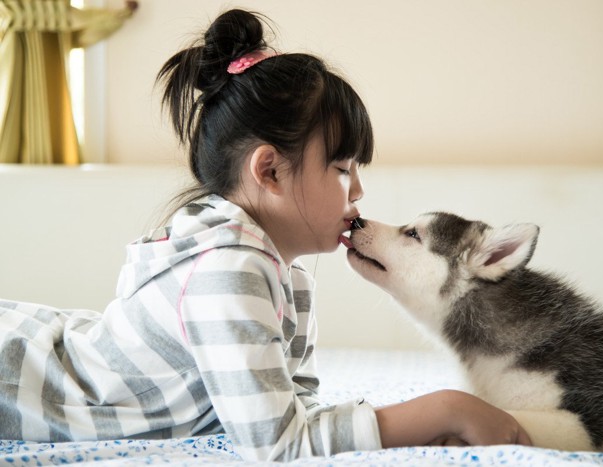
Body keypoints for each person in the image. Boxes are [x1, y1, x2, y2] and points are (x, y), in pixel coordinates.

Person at [0, 9, 531, 461]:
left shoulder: (283, 274)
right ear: (270, 171)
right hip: (22, 381)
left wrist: (412, 430)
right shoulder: (228, 270)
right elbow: (278, 445)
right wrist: (445, 407)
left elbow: (295, 412)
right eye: (343, 167)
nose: (359, 191)